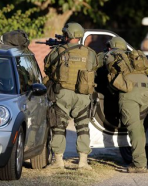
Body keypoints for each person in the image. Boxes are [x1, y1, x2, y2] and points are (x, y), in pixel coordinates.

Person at [44, 22, 98, 170]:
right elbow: (94, 68)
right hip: (83, 95)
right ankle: (83, 162)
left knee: (59, 126)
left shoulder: (59, 51)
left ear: (67, 35)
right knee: (83, 127)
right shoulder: (90, 52)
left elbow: (47, 66)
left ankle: (58, 161)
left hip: (63, 94)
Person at [102, 37, 148, 173]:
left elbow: (107, 78)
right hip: (146, 91)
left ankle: (139, 165)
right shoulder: (133, 57)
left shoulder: (112, 56)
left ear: (111, 47)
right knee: (139, 128)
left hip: (130, 93)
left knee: (134, 129)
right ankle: (141, 161)